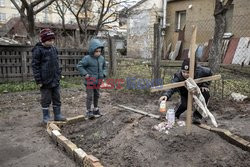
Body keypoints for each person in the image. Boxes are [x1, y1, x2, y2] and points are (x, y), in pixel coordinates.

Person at [159, 58, 212, 123]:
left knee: (205, 93)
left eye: (188, 72)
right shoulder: (178, 76)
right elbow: (172, 87)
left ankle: (197, 116)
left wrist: (205, 84)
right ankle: (175, 114)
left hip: (197, 89)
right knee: (184, 105)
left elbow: (210, 73)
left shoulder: (201, 70)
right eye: (183, 72)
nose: (185, 74)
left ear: (194, 71)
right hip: (185, 91)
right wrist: (166, 95)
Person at [32, 28, 66, 124]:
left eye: (52, 40)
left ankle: (57, 115)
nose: (51, 42)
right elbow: (35, 66)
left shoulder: (54, 49)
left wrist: (58, 74)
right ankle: (46, 117)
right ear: (43, 40)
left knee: (57, 98)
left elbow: (56, 63)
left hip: (55, 79)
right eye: (49, 40)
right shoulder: (38, 50)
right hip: (45, 80)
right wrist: (38, 80)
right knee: (46, 99)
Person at [77, 39, 107, 119]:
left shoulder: (102, 59)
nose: (98, 53)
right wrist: (85, 74)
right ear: (92, 50)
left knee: (97, 95)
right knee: (89, 96)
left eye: (99, 51)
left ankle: (96, 109)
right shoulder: (87, 58)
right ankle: (88, 111)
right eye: (96, 51)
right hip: (90, 81)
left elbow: (104, 67)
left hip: (98, 81)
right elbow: (79, 66)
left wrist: (103, 74)